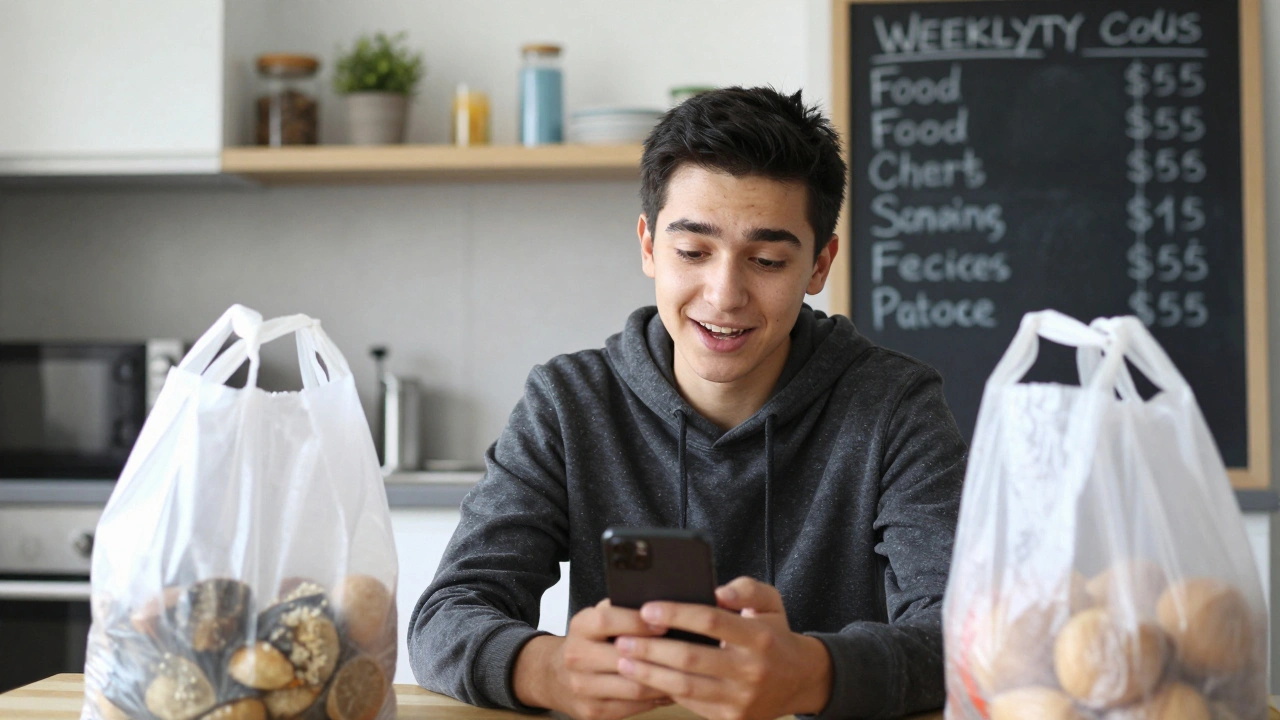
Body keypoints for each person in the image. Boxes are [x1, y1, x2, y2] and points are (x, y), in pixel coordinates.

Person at [408, 86, 966, 720]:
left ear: (819, 265)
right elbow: (446, 617)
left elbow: (967, 631)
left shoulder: (896, 406)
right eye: (693, 252)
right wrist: (549, 671)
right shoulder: (568, 403)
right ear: (648, 245)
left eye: (766, 260)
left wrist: (813, 674)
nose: (724, 295)